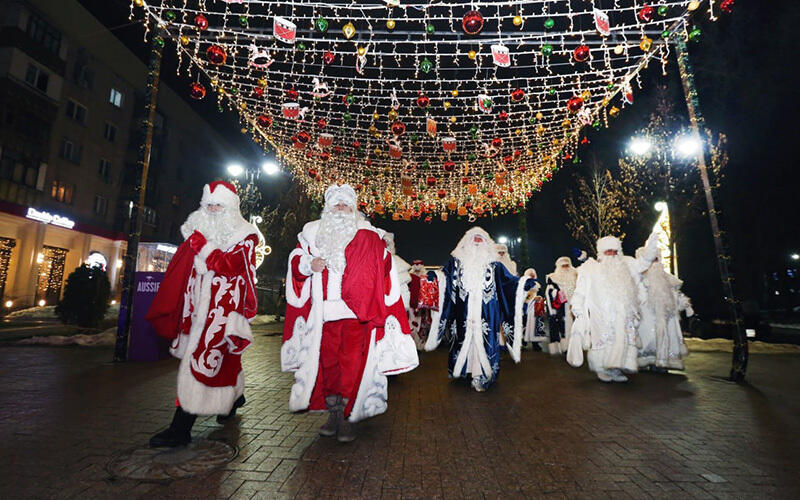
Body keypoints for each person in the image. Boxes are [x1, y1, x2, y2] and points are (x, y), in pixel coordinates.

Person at [281, 184, 418, 442]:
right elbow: (296, 259)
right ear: (328, 208)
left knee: (352, 365)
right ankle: (333, 413)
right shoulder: (312, 233)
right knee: (329, 365)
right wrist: (308, 264)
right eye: (336, 204)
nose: (341, 208)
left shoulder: (367, 234)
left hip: (356, 314)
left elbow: (383, 266)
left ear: (353, 208)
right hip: (323, 315)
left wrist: (384, 248)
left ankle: (345, 416)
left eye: (346, 204)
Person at [147, 181, 259, 447]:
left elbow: (230, 265)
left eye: (218, 205)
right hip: (195, 308)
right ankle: (234, 398)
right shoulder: (197, 229)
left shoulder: (246, 235)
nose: (212, 209)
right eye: (208, 205)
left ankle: (180, 428)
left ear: (231, 206)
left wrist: (202, 245)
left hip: (222, 312)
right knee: (225, 359)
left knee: (198, 362)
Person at [425, 227, 535, 391]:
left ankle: (481, 375)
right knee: (462, 340)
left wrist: (523, 284)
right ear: (465, 242)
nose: (477, 242)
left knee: (484, 343)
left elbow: (509, 282)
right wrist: (435, 277)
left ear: (487, 244)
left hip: (487, 313)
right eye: (473, 239)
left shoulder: (495, 265)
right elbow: (444, 276)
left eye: (481, 239)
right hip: (462, 313)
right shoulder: (456, 262)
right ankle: (464, 370)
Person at [567, 233, 658, 382]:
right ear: (602, 253)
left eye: (614, 251)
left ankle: (616, 369)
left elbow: (643, 263)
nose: (612, 254)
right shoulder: (590, 269)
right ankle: (602, 369)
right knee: (604, 341)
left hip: (623, 314)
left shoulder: (627, 265)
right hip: (601, 315)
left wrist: (651, 247)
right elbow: (581, 290)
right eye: (608, 251)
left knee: (621, 340)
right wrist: (577, 307)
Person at [635, 250, 694, 371]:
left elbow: (675, 294)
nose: (654, 263)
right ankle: (645, 360)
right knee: (647, 337)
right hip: (645, 316)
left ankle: (663, 361)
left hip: (665, 316)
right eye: (651, 260)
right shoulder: (638, 279)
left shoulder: (667, 279)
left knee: (665, 336)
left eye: (656, 259)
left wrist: (684, 303)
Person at [544, 257, 578, 355]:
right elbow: (548, 293)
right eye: (563, 266)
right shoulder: (552, 278)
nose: (565, 268)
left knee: (575, 327)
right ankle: (565, 346)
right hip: (561, 307)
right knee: (562, 327)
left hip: (574, 307)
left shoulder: (575, 277)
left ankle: (575, 346)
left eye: (567, 266)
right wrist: (556, 295)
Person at [407, 259, 435, 349]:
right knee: (411, 324)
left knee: (422, 325)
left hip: (423, 306)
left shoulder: (426, 278)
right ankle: (411, 345)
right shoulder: (409, 278)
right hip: (411, 305)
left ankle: (420, 345)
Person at [521, 268, 546, 350]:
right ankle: (522, 343)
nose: (531, 276)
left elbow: (542, 295)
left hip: (535, 309)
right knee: (524, 326)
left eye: (533, 274)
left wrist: (540, 298)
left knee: (535, 325)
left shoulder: (537, 284)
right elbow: (521, 296)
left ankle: (535, 343)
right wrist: (531, 298)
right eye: (530, 274)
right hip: (525, 309)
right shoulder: (522, 284)